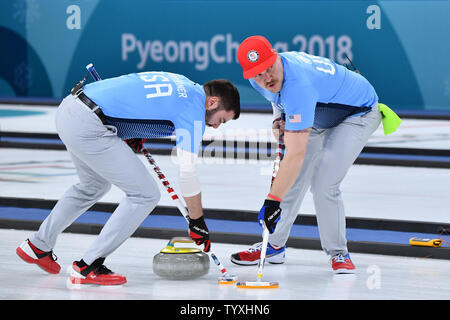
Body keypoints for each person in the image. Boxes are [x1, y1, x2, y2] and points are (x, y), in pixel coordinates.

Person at [16, 70, 240, 285]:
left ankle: (38, 245)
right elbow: (188, 173)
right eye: (221, 120)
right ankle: (89, 265)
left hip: (71, 109)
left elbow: (139, 95)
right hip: (90, 125)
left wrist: (130, 130)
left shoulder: (181, 82)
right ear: (212, 102)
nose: (216, 126)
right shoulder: (194, 113)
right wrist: (197, 221)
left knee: (92, 186)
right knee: (145, 194)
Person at [231, 35, 384, 274]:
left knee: (324, 183)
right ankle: (273, 245)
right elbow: (277, 99)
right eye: (258, 73)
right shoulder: (258, 80)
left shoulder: (298, 84)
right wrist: (277, 118)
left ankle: (338, 252)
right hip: (318, 112)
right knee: (291, 179)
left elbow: (295, 154)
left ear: (276, 56)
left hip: (357, 114)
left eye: (269, 68)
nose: (266, 77)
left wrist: (272, 202)